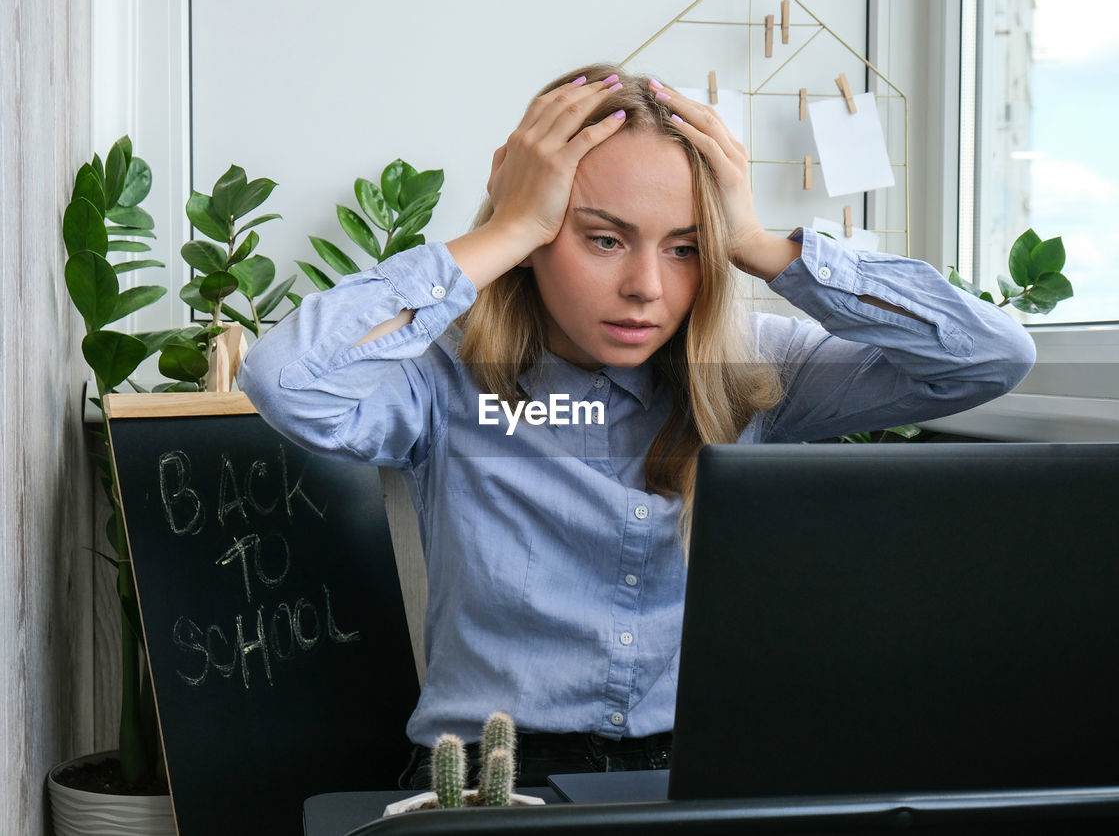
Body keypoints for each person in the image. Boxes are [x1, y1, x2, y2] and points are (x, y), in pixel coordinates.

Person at [238, 63, 1036, 788]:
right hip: (488, 774)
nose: (646, 287)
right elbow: (287, 381)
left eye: (686, 247)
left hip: (694, 771)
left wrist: (762, 246)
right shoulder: (445, 377)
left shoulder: (755, 371)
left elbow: (987, 356)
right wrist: (504, 232)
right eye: (604, 238)